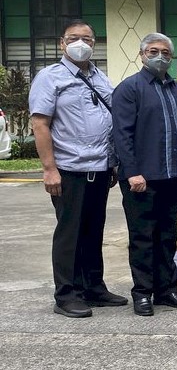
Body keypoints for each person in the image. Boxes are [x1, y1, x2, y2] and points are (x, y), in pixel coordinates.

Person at [29, 19, 127, 318]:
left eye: (87, 39)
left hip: (98, 168)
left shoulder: (101, 78)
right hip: (68, 170)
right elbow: (40, 123)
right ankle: (66, 294)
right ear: (62, 43)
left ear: (94, 44)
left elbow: (110, 122)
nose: (80, 44)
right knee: (69, 234)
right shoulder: (50, 77)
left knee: (93, 231)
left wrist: (111, 163)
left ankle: (93, 287)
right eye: (74, 38)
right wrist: (49, 169)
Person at [112, 33, 177, 317]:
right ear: (142, 55)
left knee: (167, 236)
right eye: (153, 51)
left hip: (173, 176)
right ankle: (142, 293)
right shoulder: (129, 89)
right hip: (141, 180)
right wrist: (133, 172)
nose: (159, 56)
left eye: (165, 52)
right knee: (142, 237)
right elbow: (121, 135)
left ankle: (166, 290)